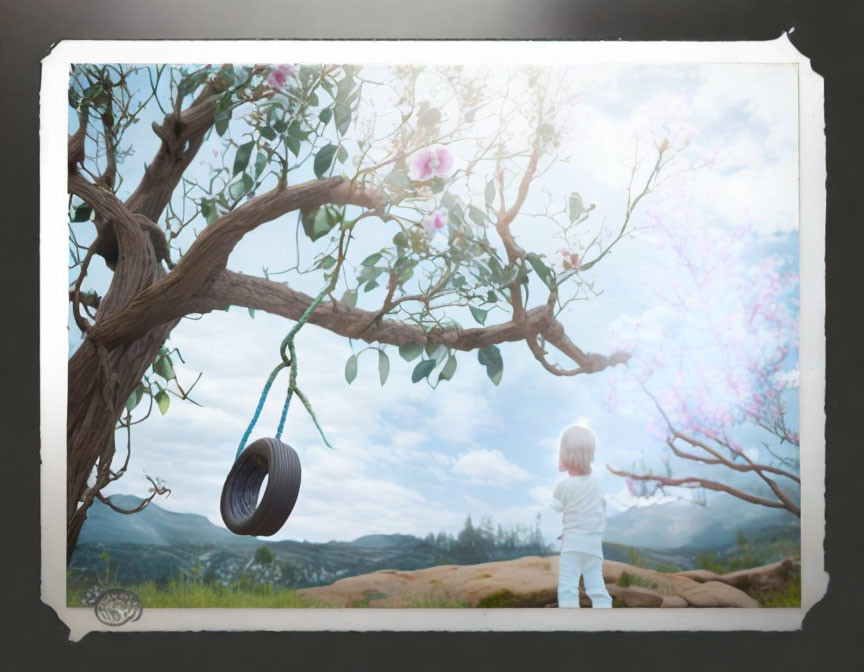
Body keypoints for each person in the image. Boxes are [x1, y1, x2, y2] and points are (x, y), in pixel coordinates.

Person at [551, 425, 612, 608]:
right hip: (593, 545)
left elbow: (556, 507)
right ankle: (605, 617)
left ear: (565, 456)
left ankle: (570, 624)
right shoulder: (597, 485)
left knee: (568, 586)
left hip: (573, 545)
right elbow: (600, 509)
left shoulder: (564, 486)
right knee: (596, 585)